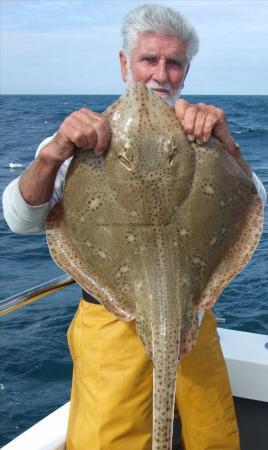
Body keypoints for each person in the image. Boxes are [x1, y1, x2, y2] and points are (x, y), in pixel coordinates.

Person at [2, 4, 266, 450]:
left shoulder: (203, 134)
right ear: (125, 64)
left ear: (185, 71)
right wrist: (53, 154)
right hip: (110, 323)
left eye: (173, 62)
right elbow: (19, 219)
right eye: (148, 59)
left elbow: (254, 208)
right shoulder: (78, 140)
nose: (159, 75)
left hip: (193, 315)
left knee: (212, 437)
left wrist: (229, 146)